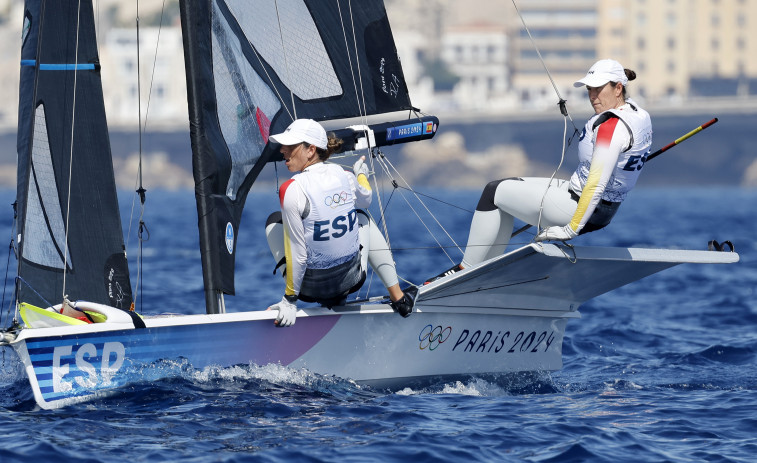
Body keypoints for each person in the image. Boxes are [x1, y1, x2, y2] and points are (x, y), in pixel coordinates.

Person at [428, 59, 653, 281]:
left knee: (493, 192)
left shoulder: (611, 127)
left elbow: (596, 183)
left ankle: (465, 272)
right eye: (589, 89)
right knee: (510, 185)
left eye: (599, 89)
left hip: (579, 208)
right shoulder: (639, 115)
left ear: (618, 88)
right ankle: (486, 270)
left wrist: (570, 230)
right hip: (599, 208)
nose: (593, 96)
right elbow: (629, 155)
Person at [264, 118, 416, 327]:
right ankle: (400, 299)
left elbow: (298, 253)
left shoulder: (290, 189)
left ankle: (298, 298)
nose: (282, 150)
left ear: (310, 150)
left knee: (273, 221)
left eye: (290, 146)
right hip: (352, 281)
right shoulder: (345, 176)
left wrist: (290, 300)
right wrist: (360, 174)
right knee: (362, 217)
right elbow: (367, 199)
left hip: (310, 291)